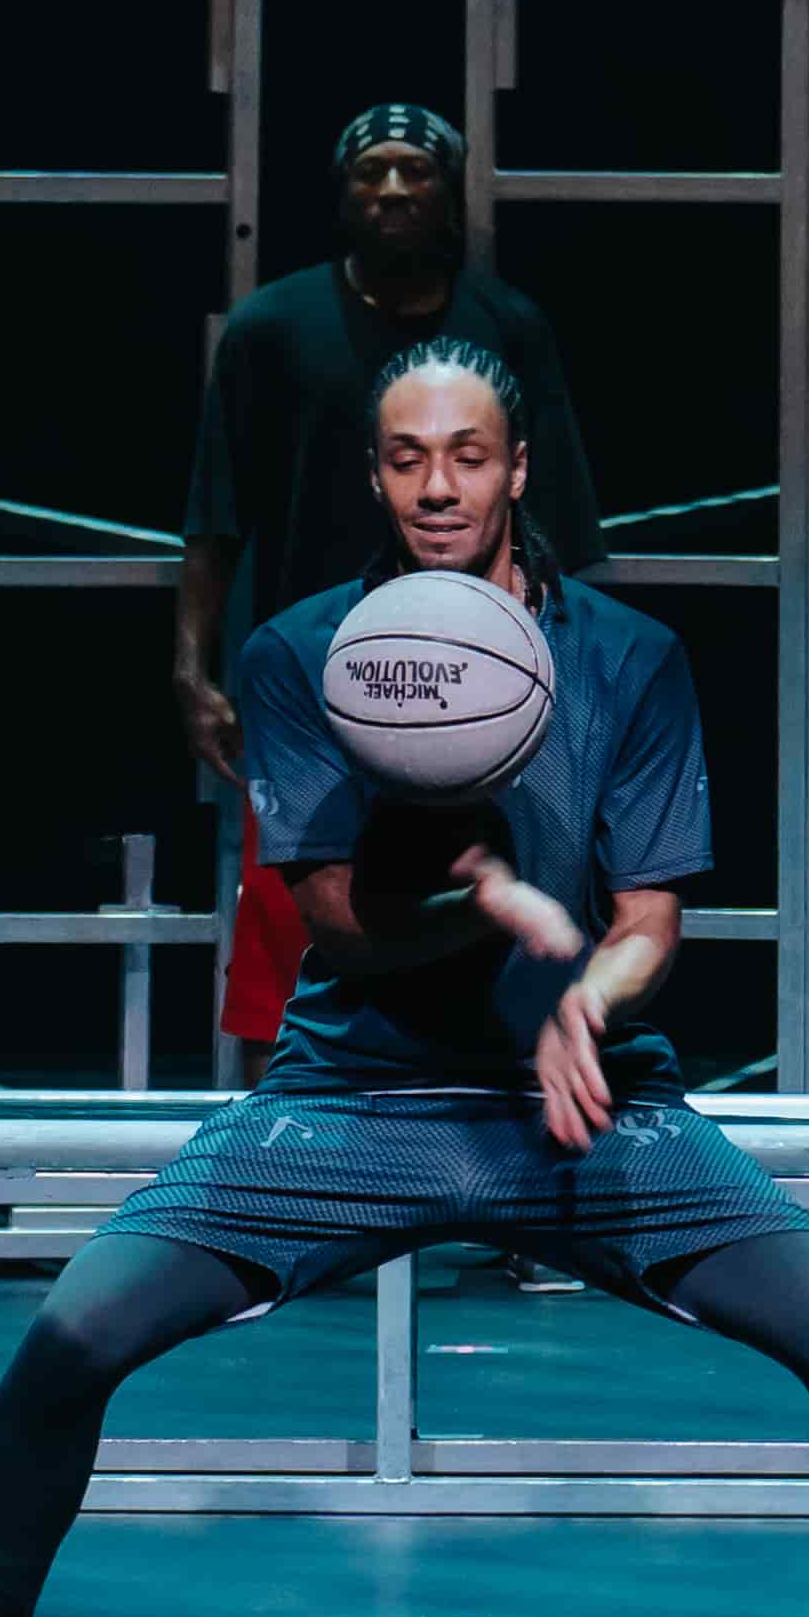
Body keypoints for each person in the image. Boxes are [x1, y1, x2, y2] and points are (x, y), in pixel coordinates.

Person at [0, 339, 809, 1617]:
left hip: (580, 1108)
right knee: (67, 1340)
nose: (438, 485)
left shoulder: (627, 657)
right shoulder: (300, 653)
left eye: (467, 455)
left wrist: (582, 1002)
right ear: (373, 476)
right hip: (349, 1098)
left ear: (517, 468)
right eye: (408, 457)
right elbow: (337, 927)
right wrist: (488, 900)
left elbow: (650, 921)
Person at [178, 100, 605, 1287]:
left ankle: (534, 1201)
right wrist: (191, 666)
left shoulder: (507, 327)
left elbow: (563, 519)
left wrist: (565, 680)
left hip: (488, 692)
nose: (395, 192)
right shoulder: (272, 328)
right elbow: (216, 509)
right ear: (340, 192)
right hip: (318, 697)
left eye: (417, 171)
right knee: (292, 938)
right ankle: (290, 1196)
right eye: (372, 172)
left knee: (516, 926)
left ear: (454, 191)